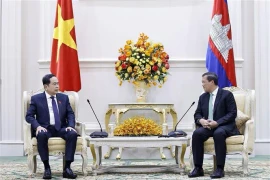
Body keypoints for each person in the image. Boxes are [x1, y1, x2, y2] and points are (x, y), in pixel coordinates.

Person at [26, 74, 78, 179]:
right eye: (54, 84)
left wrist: (71, 125)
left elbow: (70, 114)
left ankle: (67, 168)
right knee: (41, 135)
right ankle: (47, 168)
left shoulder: (64, 98)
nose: (57, 86)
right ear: (46, 86)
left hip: (61, 128)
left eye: (58, 83)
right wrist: (37, 127)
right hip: (45, 128)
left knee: (72, 133)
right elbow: (29, 116)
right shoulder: (36, 99)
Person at [188, 72, 239, 179]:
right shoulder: (203, 97)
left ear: (212, 82)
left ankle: (220, 169)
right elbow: (197, 113)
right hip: (208, 126)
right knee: (197, 133)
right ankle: (198, 168)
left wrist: (218, 122)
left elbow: (232, 113)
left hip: (223, 125)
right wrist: (201, 120)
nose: (202, 84)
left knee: (218, 133)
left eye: (204, 82)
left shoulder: (226, 95)